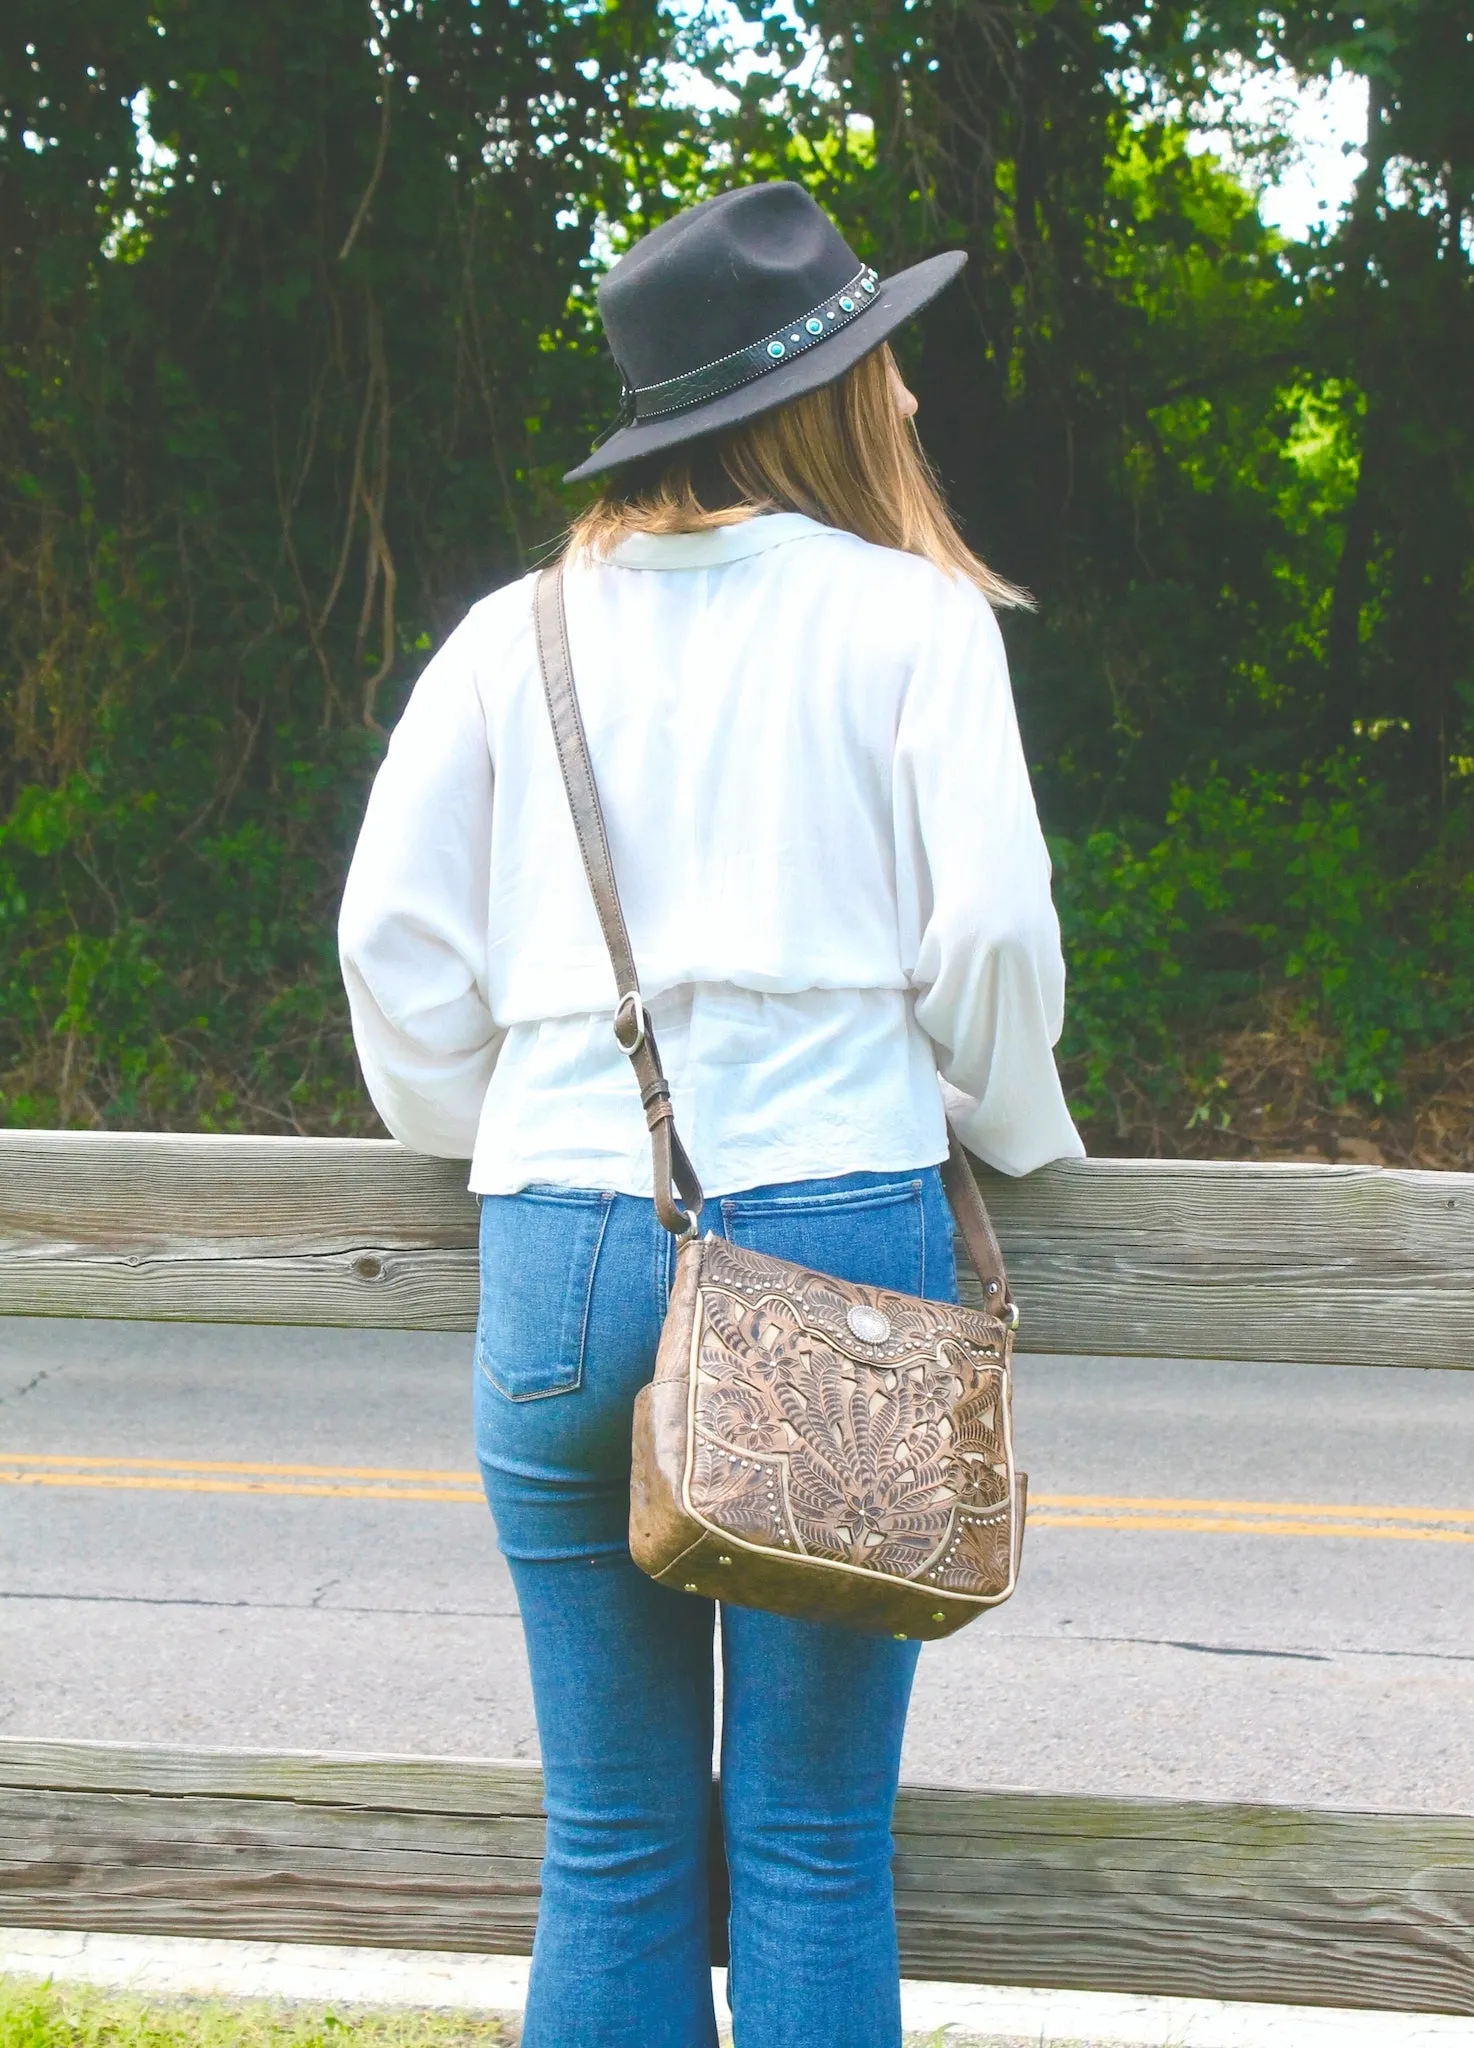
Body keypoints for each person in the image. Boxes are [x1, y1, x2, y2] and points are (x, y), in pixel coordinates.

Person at [338, 180, 1082, 2048]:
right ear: (818, 391)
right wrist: (1004, 1116)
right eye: (883, 363)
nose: (908, 402)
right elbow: (988, 934)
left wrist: (493, 1125)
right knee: (819, 1841)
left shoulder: (514, 636)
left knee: (609, 1836)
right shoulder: (912, 622)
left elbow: (388, 948)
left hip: (561, 1238)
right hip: (836, 1231)